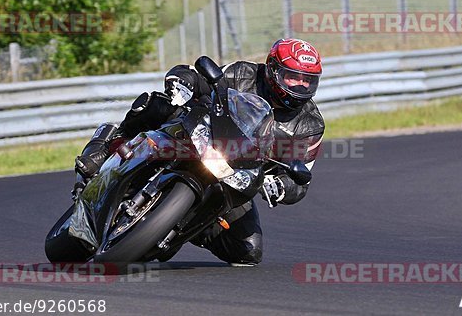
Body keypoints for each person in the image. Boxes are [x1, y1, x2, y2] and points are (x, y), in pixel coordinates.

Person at [73, 38, 326, 266]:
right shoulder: (243, 74)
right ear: (272, 70)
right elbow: (202, 79)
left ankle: (183, 224)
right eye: (293, 77)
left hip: (236, 175)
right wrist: (182, 82)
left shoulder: (310, 125)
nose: (301, 85)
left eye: (308, 80)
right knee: (159, 104)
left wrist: (280, 187)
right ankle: (109, 145)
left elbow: (300, 179)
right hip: (199, 136)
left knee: (248, 251)